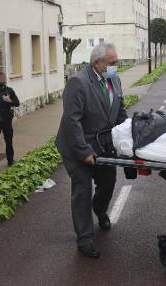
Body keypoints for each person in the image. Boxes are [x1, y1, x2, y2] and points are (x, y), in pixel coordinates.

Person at [56, 43, 128, 258]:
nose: (117, 65)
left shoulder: (114, 79)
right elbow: (72, 121)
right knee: (83, 189)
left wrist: (129, 137)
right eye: (113, 63)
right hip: (77, 144)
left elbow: (120, 110)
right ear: (98, 63)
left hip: (103, 143)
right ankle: (84, 237)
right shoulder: (78, 83)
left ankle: (100, 209)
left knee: (108, 182)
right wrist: (84, 151)